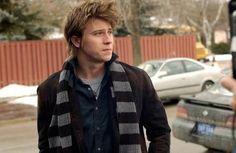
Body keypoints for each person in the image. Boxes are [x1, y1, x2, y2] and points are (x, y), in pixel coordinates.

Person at [37, 0, 171, 153]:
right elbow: (45, 146)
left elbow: (160, 132)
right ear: (76, 40)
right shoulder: (49, 90)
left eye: (109, 32)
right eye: (98, 33)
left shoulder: (137, 80)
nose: (108, 40)